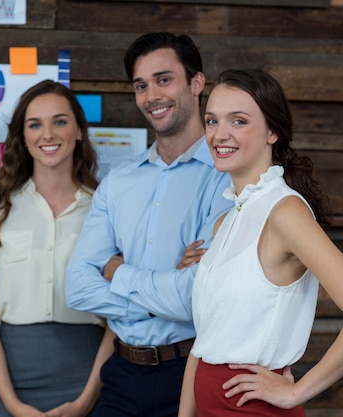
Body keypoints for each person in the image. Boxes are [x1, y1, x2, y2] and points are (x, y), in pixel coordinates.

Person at [177, 68, 343, 417]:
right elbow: (205, 343)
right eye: (212, 121)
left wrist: (295, 393)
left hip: (253, 411)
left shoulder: (285, 212)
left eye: (239, 121)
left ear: (272, 132)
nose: (220, 134)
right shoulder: (226, 220)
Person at [65, 32, 234, 417]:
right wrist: (164, 292)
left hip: (190, 373)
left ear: (196, 82)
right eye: (141, 85)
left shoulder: (225, 179)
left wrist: (116, 270)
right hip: (121, 374)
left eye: (163, 79)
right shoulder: (118, 182)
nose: (151, 95)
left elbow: (192, 299)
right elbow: (76, 286)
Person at [0, 79, 114, 417]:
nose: (48, 134)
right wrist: (12, 404)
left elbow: (120, 318)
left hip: (89, 379)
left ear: (78, 131)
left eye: (59, 121)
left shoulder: (105, 210)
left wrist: (86, 401)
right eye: (35, 124)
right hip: (13, 382)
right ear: (23, 137)